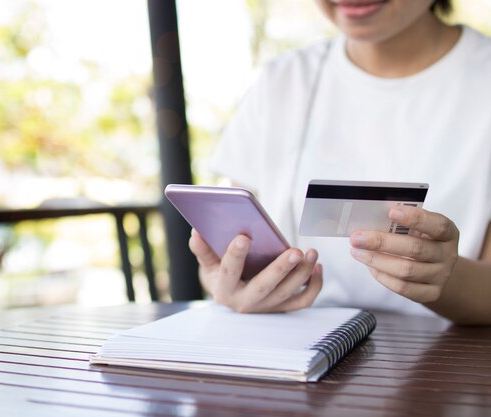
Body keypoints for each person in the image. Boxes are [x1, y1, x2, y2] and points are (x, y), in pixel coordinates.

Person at [189, 0, 491, 325]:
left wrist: (446, 277)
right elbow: (230, 256)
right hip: (293, 348)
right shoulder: (282, 81)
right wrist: (229, 283)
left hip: (448, 361)